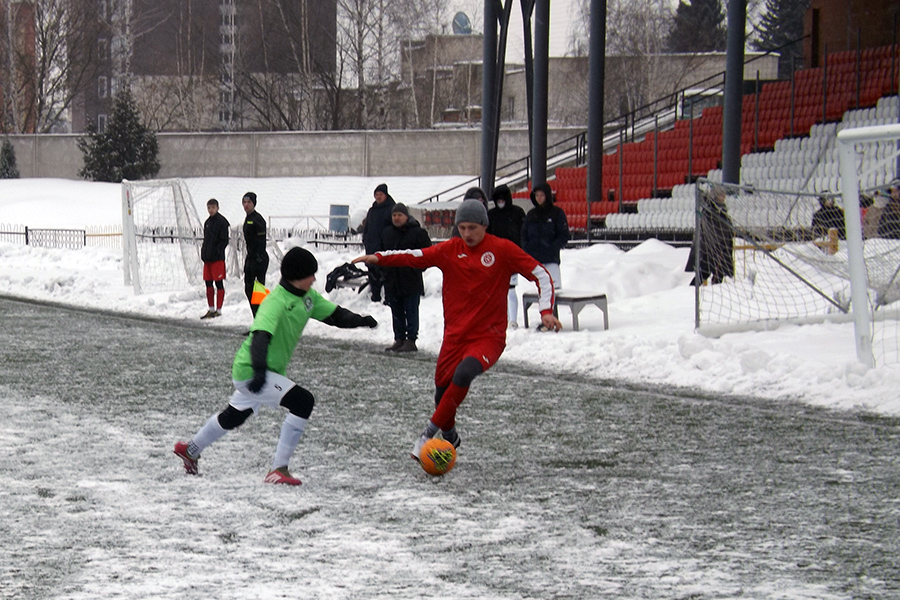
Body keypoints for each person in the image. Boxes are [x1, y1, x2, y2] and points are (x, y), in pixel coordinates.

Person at [352, 199, 562, 463]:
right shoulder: (450, 249)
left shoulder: (502, 250)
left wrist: (546, 311)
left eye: (472, 227)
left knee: (463, 375)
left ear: (484, 225)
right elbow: (416, 256)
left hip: (489, 336)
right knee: (441, 393)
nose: (467, 234)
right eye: (462, 227)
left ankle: (427, 435)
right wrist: (381, 257)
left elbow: (541, 274)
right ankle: (450, 434)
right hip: (455, 337)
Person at [174, 247, 379, 485]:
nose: (314, 278)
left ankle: (190, 450)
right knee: (303, 401)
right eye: (310, 274)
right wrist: (260, 372)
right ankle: (278, 469)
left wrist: (361, 320)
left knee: (234, 417)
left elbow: (334, 316)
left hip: (265, 372)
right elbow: (260, 336)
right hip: (252, 369)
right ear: (297, 276)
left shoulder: (307, 297)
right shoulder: (276, 301)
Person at [380, 203, 432, 352]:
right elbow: (381, 254)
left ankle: (411, 339)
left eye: (399, 215)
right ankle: (399, 338)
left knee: (411, 311)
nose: (396, 218)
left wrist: (416, 269)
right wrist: (384, 272)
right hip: (392, 280)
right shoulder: (387, 233)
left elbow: (427, 254)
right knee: (396, 312)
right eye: (394, 215)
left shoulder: (418, 233)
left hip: (410, 280)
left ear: (406, 216)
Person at [487, 184, 527, 328]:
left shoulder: (517, 213)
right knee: (497, 290)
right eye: (498, 199)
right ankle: (501, 318)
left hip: (511, 257)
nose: (501, 201)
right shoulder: (491, 215)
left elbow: (523, 234)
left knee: (510, 288)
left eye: (503, 198)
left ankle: (513, 320)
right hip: (495, 258)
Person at [521, 182, 569, 290]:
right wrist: (528, 248)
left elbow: (563, 234)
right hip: (535, 261)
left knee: (554, 291)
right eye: (537, 195)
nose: (539, 198)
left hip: (551, 260)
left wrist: (552, 247)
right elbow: (524, 234)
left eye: (541, 195)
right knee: (540, 292)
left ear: (547, 195)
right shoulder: (531, 214)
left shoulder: (557, 213)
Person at [685, 183, 734, 285]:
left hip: (719, 248)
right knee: (706, 272)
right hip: (709, 248)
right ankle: (690, 290)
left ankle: (713, 289)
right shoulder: (709, 209)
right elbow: (715, 227)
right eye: (721, 195)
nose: (723, 197)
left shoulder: (720, 208)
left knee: (717, 272)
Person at [362, 183, 396, 303]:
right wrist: (365, 239)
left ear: (385, 195)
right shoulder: (372, 210)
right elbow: (367, 227)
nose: (378, 197)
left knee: (387, 273)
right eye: (376, 194)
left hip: (385, 247)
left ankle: (389, 298)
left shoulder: (392, 209)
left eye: (380, 194)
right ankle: (375, 296)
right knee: (373, 272)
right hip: (371, 247)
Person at [200, 198, 230, 319]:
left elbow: (224, 240)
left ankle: (219, 309)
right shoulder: (207, 222)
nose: (211, 210)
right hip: (208, 259)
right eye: (209, 208)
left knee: (219, 283)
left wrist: (218, 251)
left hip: (217, 259)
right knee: (208, 283)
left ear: (217, 208)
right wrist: (204, 252)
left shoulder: (222, 222)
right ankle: (211, 309)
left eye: (213, 207)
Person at [241, 191, 269, 317]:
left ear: (254, 204)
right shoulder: (248, 219)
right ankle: (257, 320)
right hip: (251, 257)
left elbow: (261, 242)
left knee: (258, 292)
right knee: (248, 289)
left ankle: (262, 321)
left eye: (249, 202)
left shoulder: (258, 219)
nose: (246, 205)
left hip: (259, 258)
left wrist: (257, 257)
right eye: (244, 202)